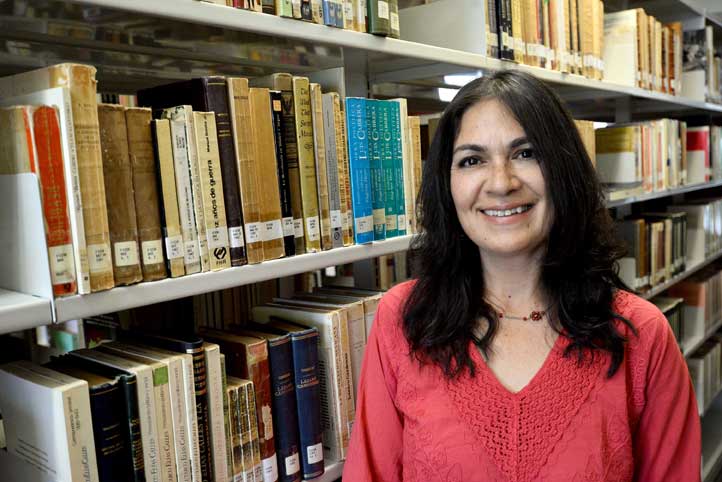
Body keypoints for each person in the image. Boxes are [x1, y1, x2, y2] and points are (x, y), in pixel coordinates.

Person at [342, 70, 701, 481]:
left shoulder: (641, 336)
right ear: (447, 185)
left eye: (526, 153)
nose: (501, 183)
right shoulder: (404, 320)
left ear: (564, 170)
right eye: (472, 160)